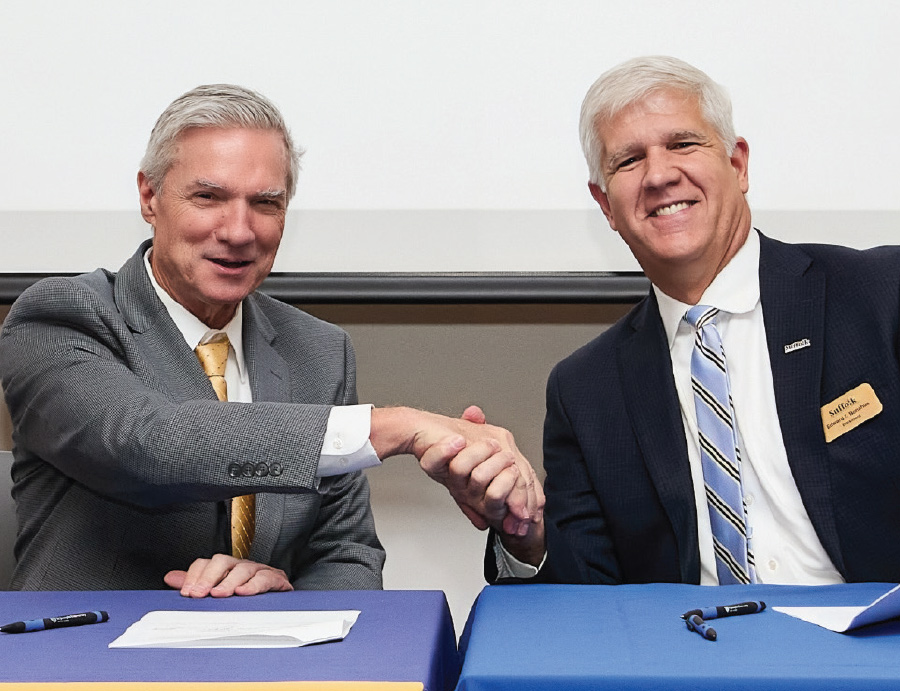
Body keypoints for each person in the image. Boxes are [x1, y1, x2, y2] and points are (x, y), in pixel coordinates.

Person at [0, 84, 542, 596]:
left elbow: (346, 556)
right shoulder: (61, 317)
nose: (239, 231)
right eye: (208, 196)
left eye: (265, 203)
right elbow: (146, 442)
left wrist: (285, 598)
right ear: (150, 197)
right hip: (85, 659)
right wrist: (399, 426)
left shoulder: (318, 350)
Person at [480, 55, 900, 586]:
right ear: (605, 205)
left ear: (738, 165)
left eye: (682, 144)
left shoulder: (880, 296)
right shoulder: (585, 389)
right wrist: (525, 530)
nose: (658, 175)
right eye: (628, 161)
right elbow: (583, 596)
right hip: (698, 656)